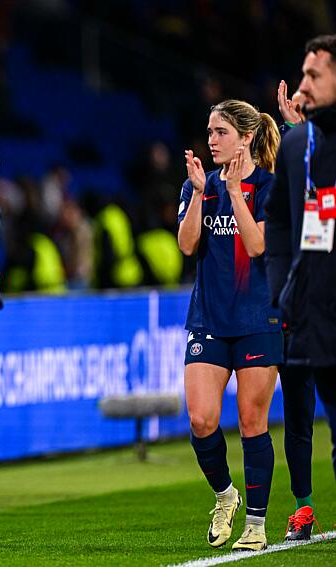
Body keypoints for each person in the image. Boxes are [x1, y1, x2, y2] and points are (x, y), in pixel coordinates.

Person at [178, 99, 282, 552]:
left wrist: (236, 191)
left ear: (245, 137)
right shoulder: (196, 185)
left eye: (220, 132)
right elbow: (186, 245)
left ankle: (256, 526)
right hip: (210, 319)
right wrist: (202, 193)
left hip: (258, 318)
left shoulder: (269, 186)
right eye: (209, 131)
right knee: (201, 419)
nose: (211, 140)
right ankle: (226, 496)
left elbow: (257, 245)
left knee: (251, 421)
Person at [265, 35, 336, 542]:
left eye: (315, 75)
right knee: (301, 419)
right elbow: (282, 227)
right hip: (308, 314)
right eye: (303, 75)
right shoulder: (297, 147)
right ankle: (304, 506)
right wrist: (282, 293)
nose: (303, 84)